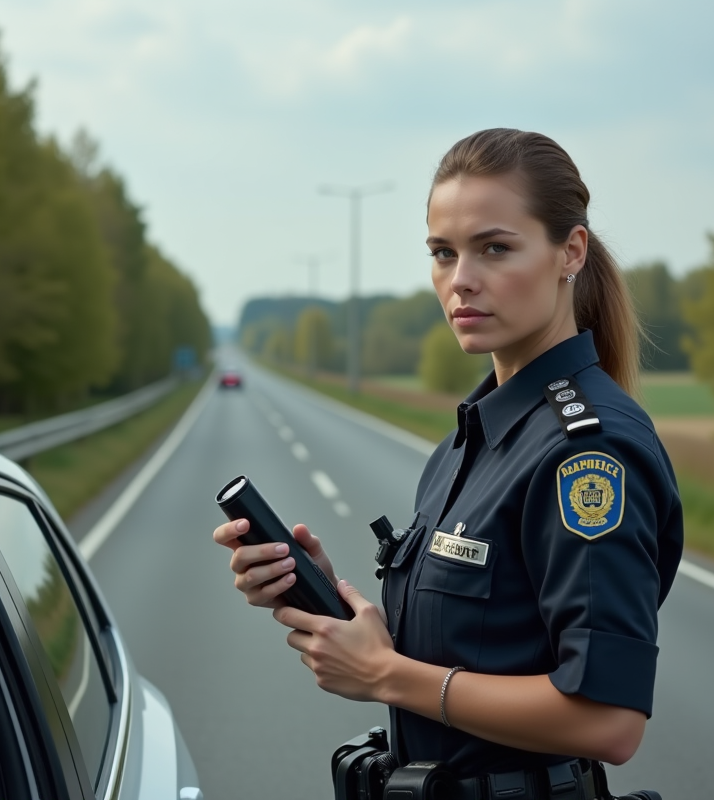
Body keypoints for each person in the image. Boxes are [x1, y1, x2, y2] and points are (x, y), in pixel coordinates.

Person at [213, 128, 683, 799]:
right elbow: (487, 642)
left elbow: (608, 719)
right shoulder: (475, 437)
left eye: (495, 248)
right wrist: (336, 611)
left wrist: (385, 676)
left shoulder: (587, 451)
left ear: (569, 251)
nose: (461, 280)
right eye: (442, 252)